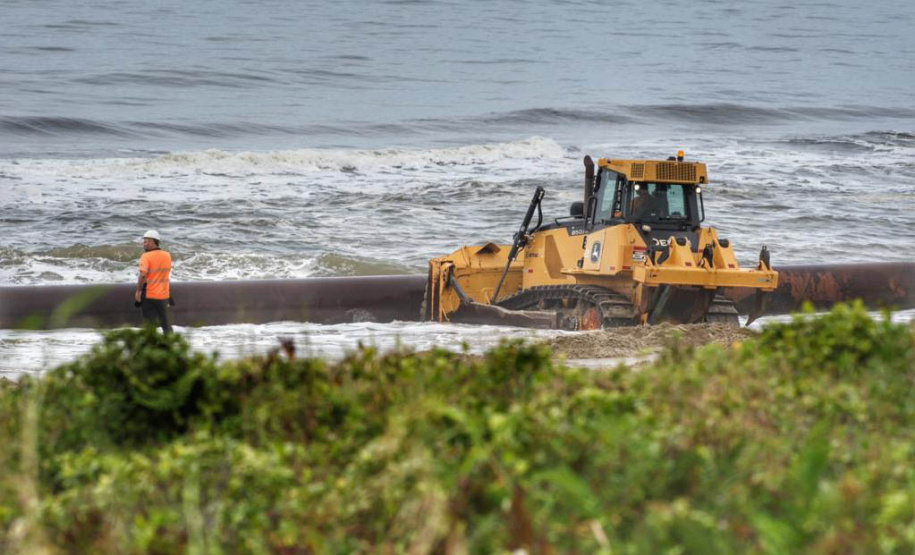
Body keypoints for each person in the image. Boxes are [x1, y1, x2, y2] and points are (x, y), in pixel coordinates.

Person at [135, 229, 173, 333]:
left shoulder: (146, 256)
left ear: (152, 241)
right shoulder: (167, 255)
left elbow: (143, 275)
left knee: (150, 325)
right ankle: (169, 345)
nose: (144, 244)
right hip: (164, 295)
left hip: (150, 295)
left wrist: (138, 291)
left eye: (146, 241)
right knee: (166, 323)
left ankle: (151, 346)